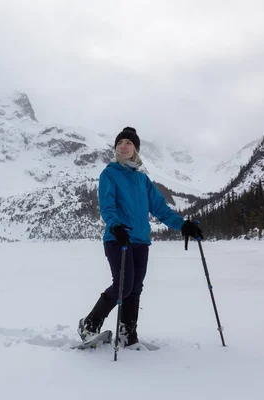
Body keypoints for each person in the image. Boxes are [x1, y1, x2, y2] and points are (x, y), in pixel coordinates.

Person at [77, 126, 203, 349]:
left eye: (128, 143)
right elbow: (107, 206)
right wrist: (115, 226)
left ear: (135, 149)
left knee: (135, 288)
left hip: (140, 242)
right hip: (118, 239)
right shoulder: (109, 174)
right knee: (123, 286)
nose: (123, 146)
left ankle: (128, 335)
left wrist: (183, 226)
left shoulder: (143, 181)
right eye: (119, 143)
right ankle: (89, 325)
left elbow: (161, 209)